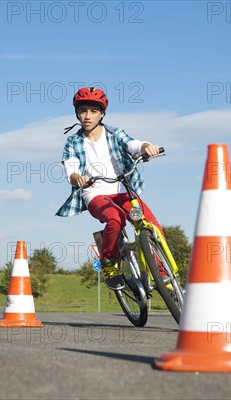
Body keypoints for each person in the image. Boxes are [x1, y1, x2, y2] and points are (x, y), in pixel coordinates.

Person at [56, 86, 163, 290]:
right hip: (94, 192)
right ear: (77, 113)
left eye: (93, 111)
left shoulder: (114, 133)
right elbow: (71, 169)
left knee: (151, 225)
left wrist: (147, 147)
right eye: (83, 111)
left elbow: (133, 144)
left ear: (102, 113)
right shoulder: (73, 141)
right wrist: (78, 178)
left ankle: (163, 275)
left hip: (123, 189)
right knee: (116, 218)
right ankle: (109, 264)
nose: (88, 116)